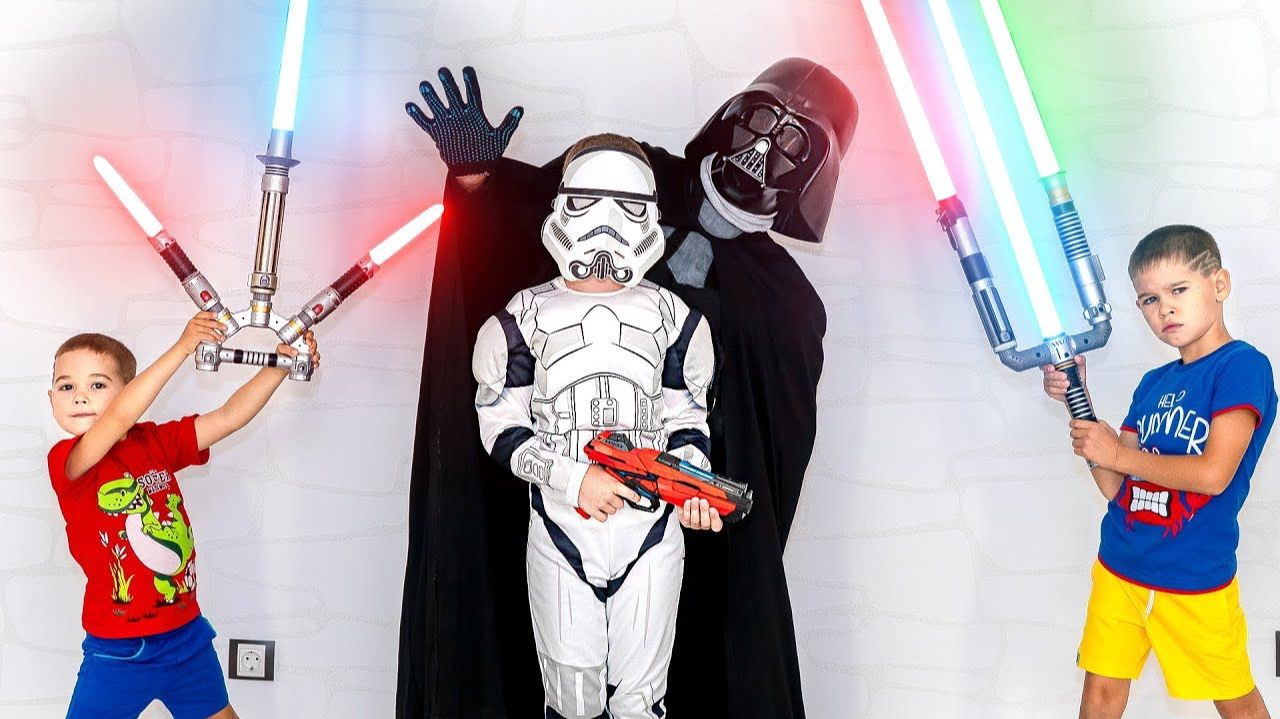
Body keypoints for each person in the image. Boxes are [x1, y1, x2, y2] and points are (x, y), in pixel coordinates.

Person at [397, 61, 856, 718]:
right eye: (759, 119)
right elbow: (506, 249)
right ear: (730, 115)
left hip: (671, 529)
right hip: (559, 499)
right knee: (565, 688)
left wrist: (703, 490)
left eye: (792, 143)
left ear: (817, 175)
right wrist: (477, 182)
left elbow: (764, 453)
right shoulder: (628, 182)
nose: (761, 149)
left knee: (654, 691)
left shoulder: (785, 305)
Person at [471, 132, 720, 718]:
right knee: (572, 703)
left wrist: (694, 485)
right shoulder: (520, 318)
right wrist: (571, 479)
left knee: (640, 704)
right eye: (589, 201)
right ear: (562, 204)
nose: (606, 224)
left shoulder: (677, 320)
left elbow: (687, 420)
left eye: (627, 206)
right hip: (561, 527)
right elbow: (499, 425)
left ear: (650, 213)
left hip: (650, 530)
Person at [1043, 226, 1276, 719]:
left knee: (1237, 704)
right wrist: (1078, 401)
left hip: (1194, 578)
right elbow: (1115, 487)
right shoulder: (1153, 383)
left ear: (1220, 284)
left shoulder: (1242, 367)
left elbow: (1214, 475)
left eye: (1178, 290)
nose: (1165, 309)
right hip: (1119, 566)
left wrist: (1118, 453)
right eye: (1149, 299)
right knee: (1100, 696)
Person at [47, 313, 319, 719]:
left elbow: (228, 417)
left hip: (186, 638)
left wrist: (280, 366)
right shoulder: (68, 462)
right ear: (50, 398)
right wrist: (182, 347)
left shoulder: (155, 442)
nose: (80, 397)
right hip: (120, 651)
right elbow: (118, 417)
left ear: (130, 390)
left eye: (97, 384)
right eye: (66, 386)